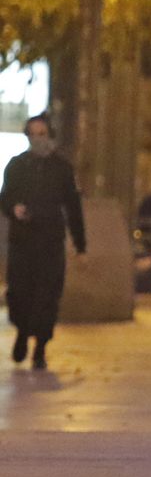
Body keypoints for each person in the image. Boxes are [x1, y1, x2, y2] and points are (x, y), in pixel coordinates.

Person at [0, 115, 86, 371]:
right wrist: (14, 209)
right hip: (23, 242)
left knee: (47, 295)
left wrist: (81, 246)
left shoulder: (61, 168)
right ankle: (23, 333)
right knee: (20, 292)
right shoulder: (16, 166)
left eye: (42, 133)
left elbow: (73, 207)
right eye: (33, 133)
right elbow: (4, 197)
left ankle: (40, 347)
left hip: (50, 242)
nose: (37, 139)